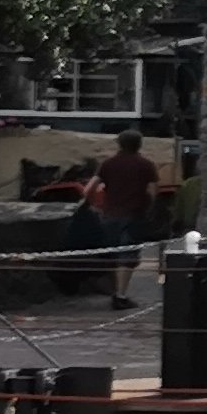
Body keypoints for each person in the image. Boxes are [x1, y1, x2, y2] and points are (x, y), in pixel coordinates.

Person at [83, 127, 166, 310]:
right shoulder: (145, 165)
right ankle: (120, 295)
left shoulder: (108, 164)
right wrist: (151, 209)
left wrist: (94, 206)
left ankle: (114, 291)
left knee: (113, 253)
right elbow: (153, 191)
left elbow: (88, 189)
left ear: (119, 144)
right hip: (134, 215)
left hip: (109, 214)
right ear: (139, 144)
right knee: (127, 256)